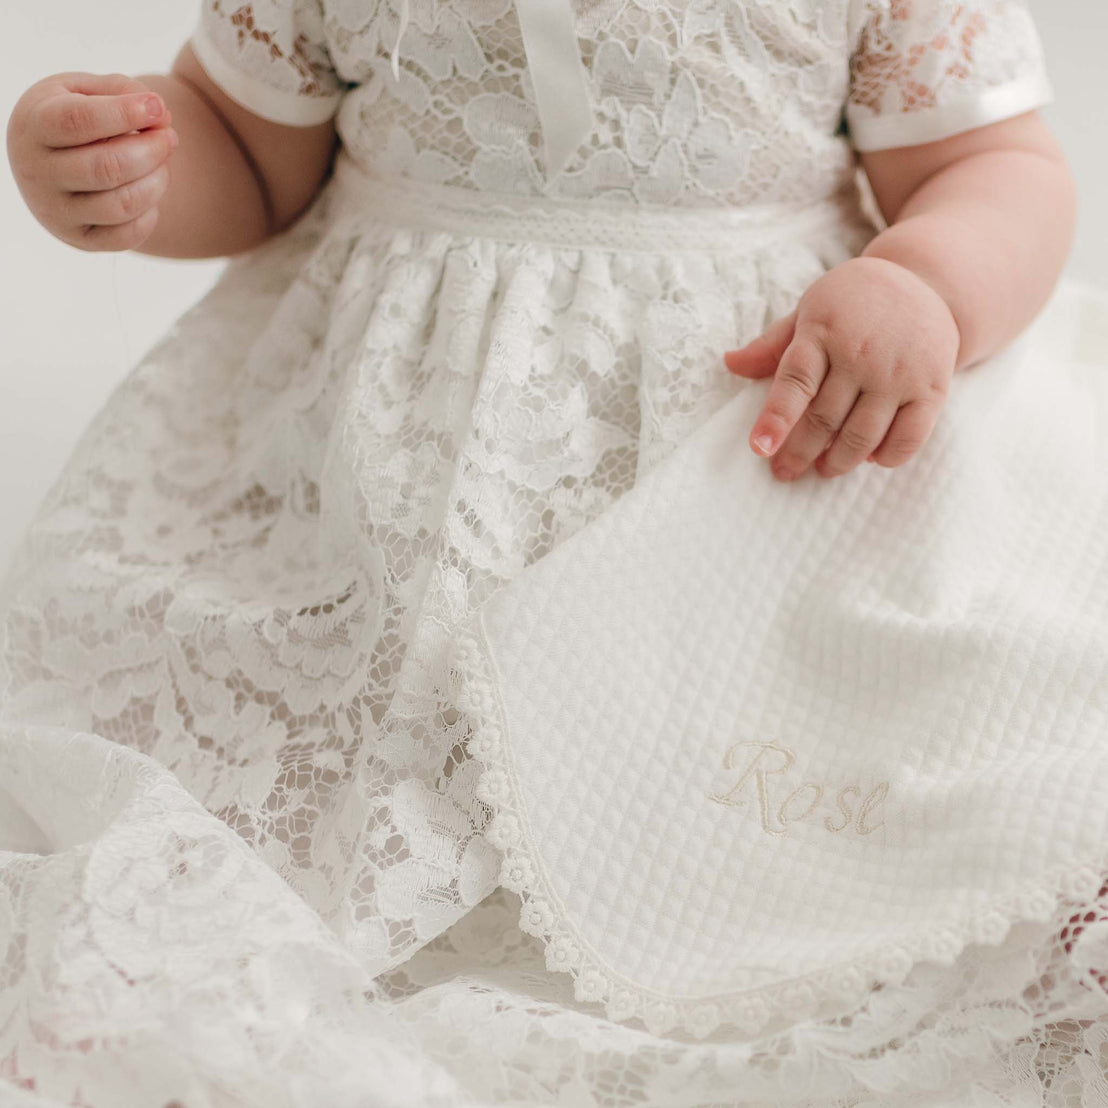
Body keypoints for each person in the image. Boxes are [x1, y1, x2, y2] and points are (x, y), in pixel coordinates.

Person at [3, 1, 1108, 1104]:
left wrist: (925, 282)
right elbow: (251, 154)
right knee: (267, 739)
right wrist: (138, 168)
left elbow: (992, 163)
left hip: (744, 438)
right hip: (388, 452)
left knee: (892, 720)